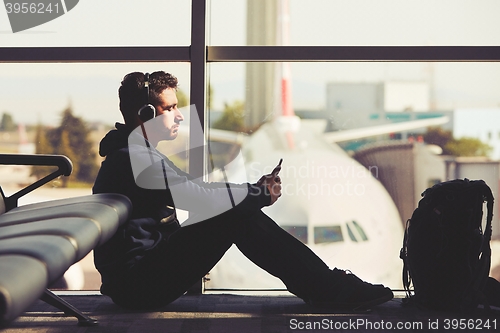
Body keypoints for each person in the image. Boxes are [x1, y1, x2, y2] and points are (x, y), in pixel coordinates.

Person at [92, 71, 394, 310]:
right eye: (170, 108)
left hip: (139, 277)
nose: (180, 116)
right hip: (138, 285)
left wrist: (252, 192)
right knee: (238, 217)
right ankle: (330, 288)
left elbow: (197, 190)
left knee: (236, 212)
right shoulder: (136, 159)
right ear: (144, 115)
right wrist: (257, 196)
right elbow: (196, 196)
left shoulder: (134, 154)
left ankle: (328, 287)